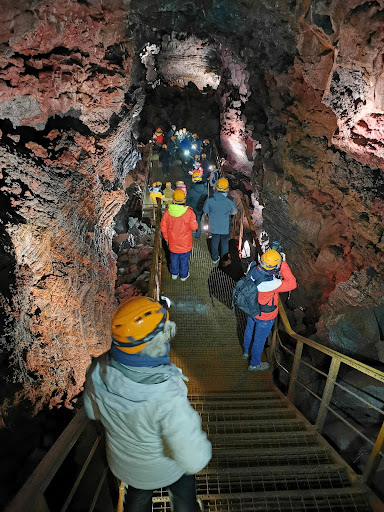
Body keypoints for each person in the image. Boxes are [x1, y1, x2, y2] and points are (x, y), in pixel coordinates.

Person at [84, 296, 211, 512]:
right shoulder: (167, 395)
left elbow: (92, 412)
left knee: (137, 496)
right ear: (156, 340)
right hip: (168, 467)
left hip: (127, 466)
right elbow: (193, 460)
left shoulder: (98, 370)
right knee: (184, 493)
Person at [243, 249, 297, 372]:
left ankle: (246, 352)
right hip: (264, 316)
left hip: (252, 309)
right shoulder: (271, 283)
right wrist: (282, 264)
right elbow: (292, 284)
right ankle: (254, 364)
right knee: (259, 340)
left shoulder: (252, 267)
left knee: (249, 330)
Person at [161, 189, 198, 281]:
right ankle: (183, 276)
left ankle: (174, 274)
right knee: (184, 260)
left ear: (174, 200)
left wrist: (166, 238)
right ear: (184, 199)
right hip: (185, 243)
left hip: (173, 242)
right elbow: (194, 227)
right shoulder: (189, 212)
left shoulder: (167, 212)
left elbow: (163, 227)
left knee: (173, 259)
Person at [203, 177, 237, 264]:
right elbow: (234, 212)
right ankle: (225, 259)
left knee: (215, 240)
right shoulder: (230, 200)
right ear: (227, 188)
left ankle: (214, 258)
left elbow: (205, 210)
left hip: (214, 225)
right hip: (224, 225)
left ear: (216, 187)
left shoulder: (210, 199)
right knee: (225, 242)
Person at [186, 172, 207, 239]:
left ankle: (191, 233)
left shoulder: (191, 190)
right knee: (199, 220)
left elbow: (188, 200)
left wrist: (188, 206)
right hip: (201, 208)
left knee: (192, 220)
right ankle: (198, 234)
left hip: (192, 208)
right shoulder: (205, 189)